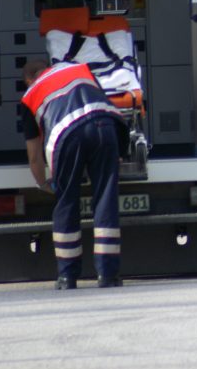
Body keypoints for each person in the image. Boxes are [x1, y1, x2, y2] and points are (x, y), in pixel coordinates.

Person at [22, 58, 127, 290]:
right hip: (105, 126)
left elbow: (34, 157)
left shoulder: (30, 96)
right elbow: (102, 101)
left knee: (67, 200)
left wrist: (44, 184)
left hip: (67, 135)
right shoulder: (78, 69)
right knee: (106, 198)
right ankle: (108, 275)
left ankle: (67, 276)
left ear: (29, 79)